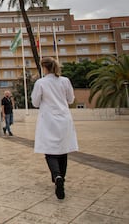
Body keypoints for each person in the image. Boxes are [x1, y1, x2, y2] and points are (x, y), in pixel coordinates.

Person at [31, 57, 78, 200]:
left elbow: (35, 102)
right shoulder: (65, 81)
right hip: (64, 118)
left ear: (44, 68)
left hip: (48, 120)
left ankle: (57, 176)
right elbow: (70, 100)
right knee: (63, 149)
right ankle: (61, 177)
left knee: (50, 151)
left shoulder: (41, 82)